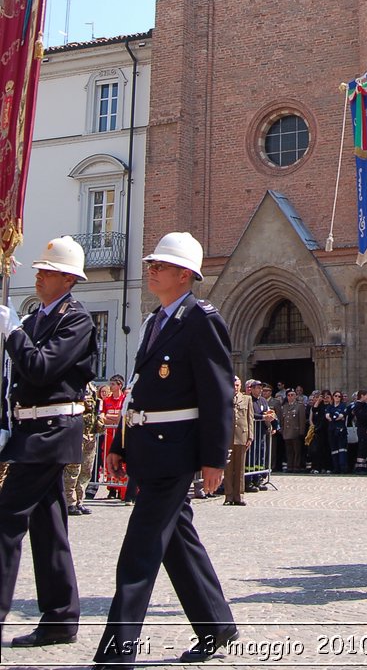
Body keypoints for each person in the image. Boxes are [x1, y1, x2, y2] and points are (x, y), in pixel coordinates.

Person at [93, 232, 238, 668]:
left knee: (139, 549)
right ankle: (216, 626)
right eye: (152, 262)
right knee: (177, 541)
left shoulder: (202, 319)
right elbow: (138, 391)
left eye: (161, 264)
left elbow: (217, 394)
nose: (151, 268)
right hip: (148, 448)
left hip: (176, 451)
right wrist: (120, 442)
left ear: (185, 274)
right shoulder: (156, 319)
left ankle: (117, 651)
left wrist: (215, 457)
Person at [0, 234, 97, 649]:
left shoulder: (76, 320)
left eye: (49, 271)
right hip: (30, 429)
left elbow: (41, 369)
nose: (40, 276)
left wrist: (11, 333)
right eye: (40, 270)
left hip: (52, 431)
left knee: (5, 521)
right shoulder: (37, 318)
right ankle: (60, 616)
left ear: (69, 280)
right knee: (49, 526)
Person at [64, 380, 104, 516]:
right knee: (73, 468)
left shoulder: (92, 386)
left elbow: (96, 407)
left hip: (90, 433)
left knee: (87, 469)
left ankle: (80, 501)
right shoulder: (73, 384)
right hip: (76, 433)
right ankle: (69, 501)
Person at [223, 376, 254, 505]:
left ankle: (239, 496)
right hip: (228, 438)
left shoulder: (247, 399)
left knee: (240, 468)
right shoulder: (224, 398)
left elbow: (250, 418)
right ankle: (228, 496)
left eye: (237, 385)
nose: (235, 387)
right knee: (228, 469)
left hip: (241, 436)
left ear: (240, 386)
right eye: (233, 385)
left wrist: (250, 436)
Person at [280, 388, 307, 471]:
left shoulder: (300, 405)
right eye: (289, 395)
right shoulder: (284, 406)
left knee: (297, 450)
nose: (290, 397)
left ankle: (296, 466)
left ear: (295, 396)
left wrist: (301, 431)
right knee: (289, 451)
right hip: (287, 432)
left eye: (292, 395)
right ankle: (290, 466)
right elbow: (282, 420)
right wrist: (282, 430)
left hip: (296, 431)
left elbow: (302, 420)